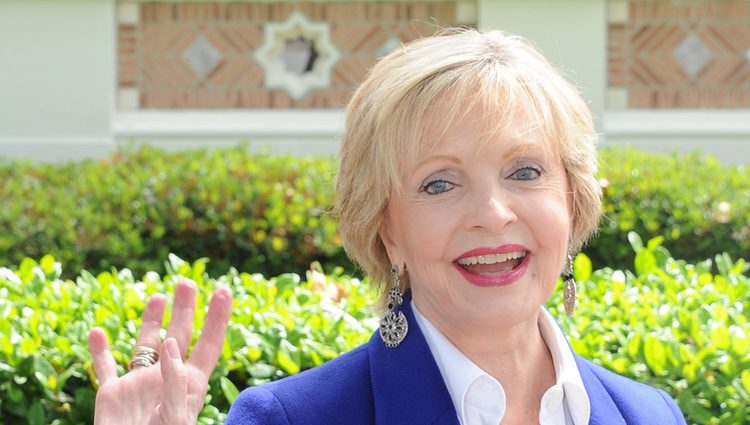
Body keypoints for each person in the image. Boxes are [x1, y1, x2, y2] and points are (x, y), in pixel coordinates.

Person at [88, 28, 687, 424]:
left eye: (525, 170)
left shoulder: (651, 414)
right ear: (385, 230)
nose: (492, 213)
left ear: (573, 201)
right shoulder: (293, 419)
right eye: (438, 183)